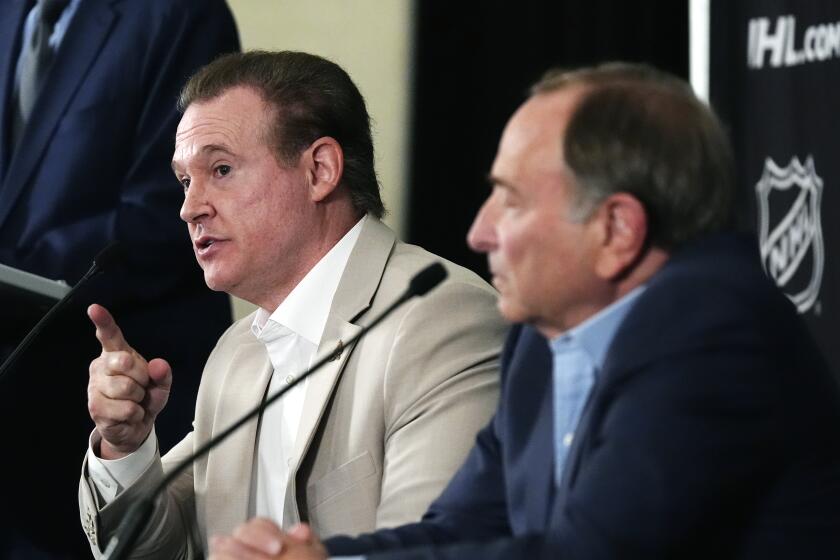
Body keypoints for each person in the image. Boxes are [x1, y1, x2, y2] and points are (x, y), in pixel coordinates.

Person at [208, 63, 840, 559]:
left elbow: (590, 555)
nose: (479, 232)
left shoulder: (712, 330)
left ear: (617, 229)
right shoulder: (542, 339)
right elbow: (462, 527)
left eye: (509, 201)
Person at [77, 51, 505, 558]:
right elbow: (146, 550)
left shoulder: (439, 319)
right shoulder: (237, 354)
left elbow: (442, 548)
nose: (190, 208)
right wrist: (125, 447)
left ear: (320, 170)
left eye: (221, 169)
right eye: (186, 181)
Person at [0, 0, 237, 557]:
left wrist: (12, 262)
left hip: (123, 390)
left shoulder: (180, 15)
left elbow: (168, 210)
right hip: (15, 399)